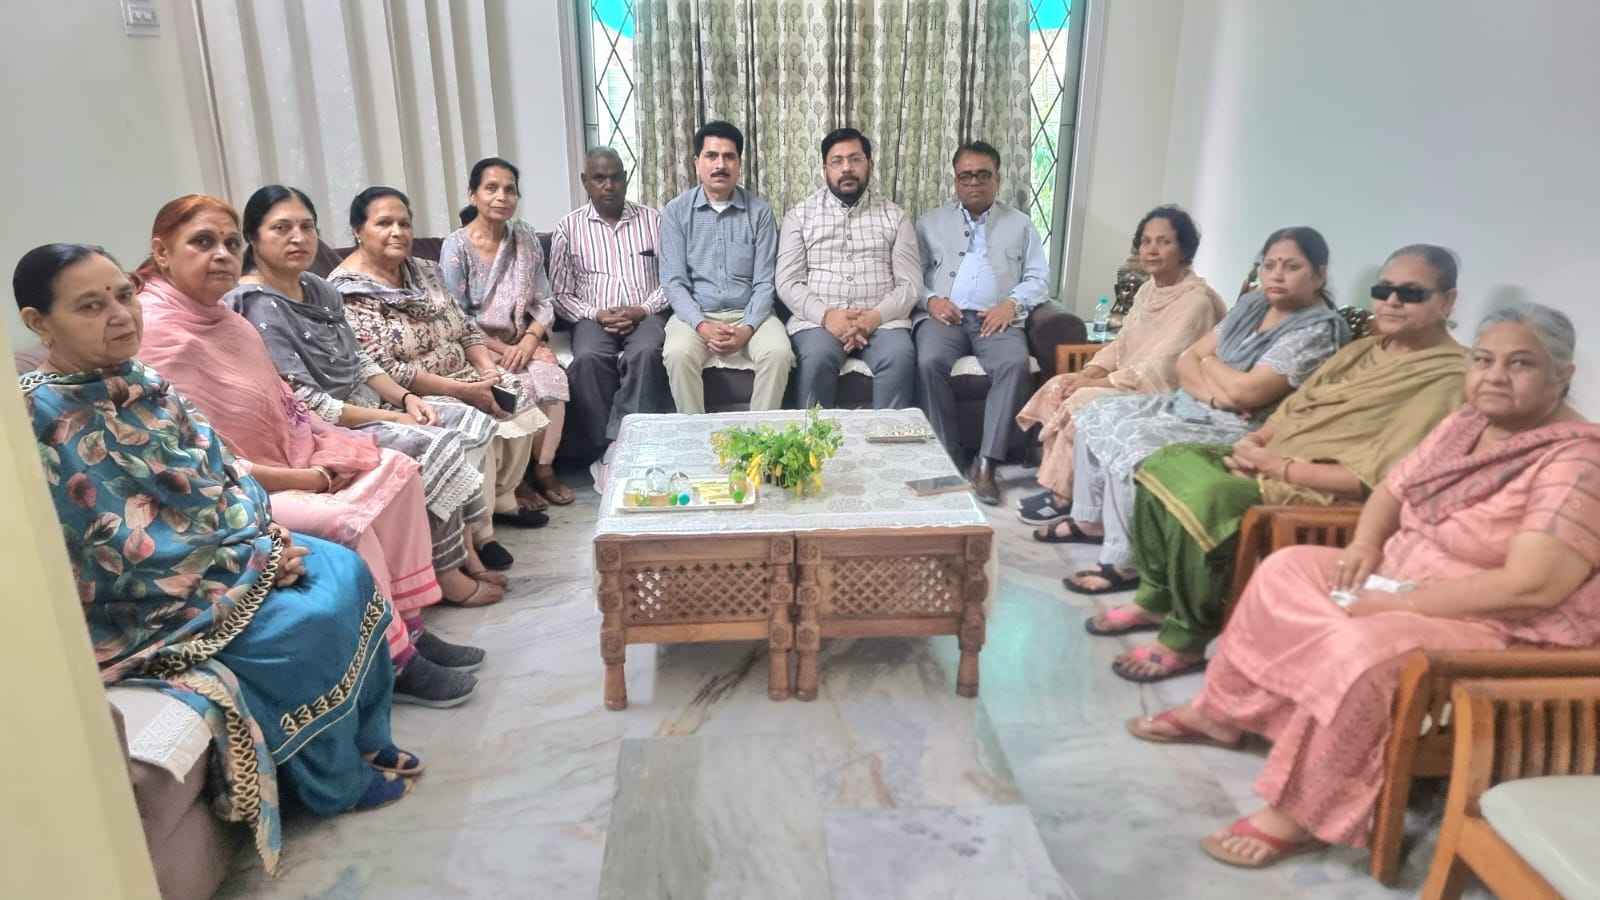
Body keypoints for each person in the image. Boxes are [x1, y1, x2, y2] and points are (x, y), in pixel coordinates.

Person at [1128, 304, 1600, 868]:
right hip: (1400, 577)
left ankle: (1303, 812)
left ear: (1562, 375)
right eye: (1484, 360)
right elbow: (1392, 491)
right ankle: (1224, 714)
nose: (1495, 376)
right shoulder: (1467, 424)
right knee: (1284, 571)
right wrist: (1363, 547)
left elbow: (1532, 587)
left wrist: (1404, 602)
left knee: (1363, 650)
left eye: (1520, 363)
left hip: (1496, 626)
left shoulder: (1578, 460)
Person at [15, 242, 422, 871]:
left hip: (232, 556)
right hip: (144, 603)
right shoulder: (38, 418)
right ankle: (335, 780)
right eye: (90, 306)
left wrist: (266, 539)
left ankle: (367, 737)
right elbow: (114, 548)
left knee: (344, 568)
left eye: (123, 295)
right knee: (302, 625)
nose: (120, 315)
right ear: (38, 322)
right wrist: (257, 562)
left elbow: (222, 471)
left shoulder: (140, 378)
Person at [134, 194, 481, 708]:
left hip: (296, 454)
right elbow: (202, 459)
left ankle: (410, 626)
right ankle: (394, 659)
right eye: (203, 242)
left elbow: (286, 402)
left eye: (228, 242)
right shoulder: (156, 332)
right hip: (236, 490)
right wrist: (308, 477)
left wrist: (329, 445)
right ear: (162, 252)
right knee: (348, 519)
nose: (222, 254)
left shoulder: (228, 319)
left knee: (401, 470)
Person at [1095, 244, 1469, 681]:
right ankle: (1156, 597)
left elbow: (1383, 478)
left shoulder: (1451, 377)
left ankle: (1187, 636)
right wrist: (1255, 443)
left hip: (1320, 486)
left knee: (1206, 494)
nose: (1392, 302)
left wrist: (1277, 468)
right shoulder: (1364, 351)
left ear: (1448, 301)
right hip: (1273, 458)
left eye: (1411, 293)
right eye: (1383, 290)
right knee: (1161, 460)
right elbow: (1295, 408)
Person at [226, 185, 506, 605]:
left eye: (306, 227)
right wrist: (398, 417)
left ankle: (468, 551)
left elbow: (358, 360)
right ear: (253, 236)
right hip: (323, 428)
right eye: (281, 228)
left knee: (471, 420)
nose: (298, 238)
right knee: (438, 444)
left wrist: (407, 399)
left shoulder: (317, 289)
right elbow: (306, 402)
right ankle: (447, 572)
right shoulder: (256, 305)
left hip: (369, 404)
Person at [1062, 226, 1350, 594]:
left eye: (1291, 266)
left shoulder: (1318, 330)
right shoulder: (1253, 304)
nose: (1276, 275)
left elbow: (1248, 393)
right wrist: (1217, 392)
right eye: (1270, 265)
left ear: (1319, 275)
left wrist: (1211, 366)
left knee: (1133, 440)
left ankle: (1125, 560)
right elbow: (1189, 359)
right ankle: (1091, 521)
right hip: (1203, 404)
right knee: (1097, 412)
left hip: (1246, 427)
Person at [331, 186, 549, 539]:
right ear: (358, 230)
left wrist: (488, 371)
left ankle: (504, 500)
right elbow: (386, 369)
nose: (397, 232)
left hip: (465, 374)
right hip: (409, 393)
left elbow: (466, 329)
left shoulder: (424, 270)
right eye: (384, 223)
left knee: (514, 390)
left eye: (404, 223)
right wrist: (464, 390)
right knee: (475, 419)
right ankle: (480, 532)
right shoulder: (347, 291)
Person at [1015, 205, 1225, 531]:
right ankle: (1061, 486)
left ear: (1184, 249)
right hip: (1127, 381)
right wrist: (1087, 374)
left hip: (1165, 394)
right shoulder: (1148, 290)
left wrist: (1094, 386)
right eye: (1146, 241)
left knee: (1082, 400)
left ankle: (1065, 498)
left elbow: (1163, 368)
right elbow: (1120, 345)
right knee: (1060, 385)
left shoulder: (1195, 302)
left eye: (1164, 242)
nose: (1151, 250)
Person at [914, 140, 1050, 504]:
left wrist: (1011, 304)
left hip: (997, 319)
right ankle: (947, 455)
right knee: (928, 361)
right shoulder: (929, 223)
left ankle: (987, 463)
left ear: (998, 179)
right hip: (944, 318)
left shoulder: (1021, 225)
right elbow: (910, 277)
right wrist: (931, 300)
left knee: (1014, 364)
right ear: (956, 181)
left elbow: (1039, 279)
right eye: (966, 176)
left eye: (983, 175)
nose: (974, 182)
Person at [441, 157, 574, 507]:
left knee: (551, 379)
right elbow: (456, 318)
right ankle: (517, 480)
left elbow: (545, 300)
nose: (502, 196)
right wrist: (503, 351)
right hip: (478, 346)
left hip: (522, 340)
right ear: (473, 195)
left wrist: (529, 341)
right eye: (491, 188)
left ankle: (544, 468)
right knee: (516, 389)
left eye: (509, 189)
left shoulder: (525, 238)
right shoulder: (456, 247)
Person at [548, 147, 672, 488]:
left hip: (645, 314)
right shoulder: (568, 228)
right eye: (599, 178)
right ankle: (605, 450)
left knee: (646, 352)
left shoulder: (654, 221)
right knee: (587, 358)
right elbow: (560, 294)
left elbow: (670, 281)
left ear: (626, 178)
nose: (608, 185)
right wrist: (596, 313)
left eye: (616, 177)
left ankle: (623, 446)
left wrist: (641, 309)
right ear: (585, 181)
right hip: (592, 317)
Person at [777, 127, 920, 409]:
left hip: (883, 322)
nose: (847, 168)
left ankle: (888, 436)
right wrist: (827, 316)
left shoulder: (895, 217)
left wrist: (874, 317)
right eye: (837, 161)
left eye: (855, 159)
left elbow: (910, 284)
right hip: (818, 322)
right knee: (817, 358)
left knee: (899, 357)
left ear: (870, 165)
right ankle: (814, 438)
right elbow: (787, 282)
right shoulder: (800, 217)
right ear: (825, 170)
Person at [659, 120, 793, 415]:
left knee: (778, 353)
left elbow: (764, 282)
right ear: (696, 163)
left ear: (739, 164)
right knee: (678, 354)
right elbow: (674, 282)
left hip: (749, 313)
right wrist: (702, 326)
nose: (720, 165)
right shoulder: (676, 212)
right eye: (711, 156)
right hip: (696, 314)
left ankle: (760, 438)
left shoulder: (760, 213)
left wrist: (746, 329)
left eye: (729, 157)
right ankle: (695, 435)